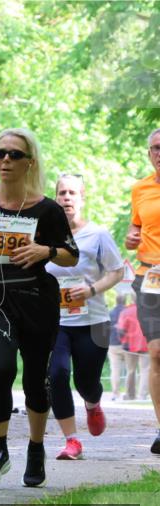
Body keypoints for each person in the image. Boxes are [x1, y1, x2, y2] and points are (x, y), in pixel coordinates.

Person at [0, 129, 78, 488]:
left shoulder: (48, 209)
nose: (5, 160)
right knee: (2, 367)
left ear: (29, 162)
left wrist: (45, 251)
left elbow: (71, 255)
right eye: (0, 153)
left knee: (36, 378)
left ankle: (36, 449)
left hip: (37, 297)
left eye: (14, 154)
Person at [46, 174, 124, 460]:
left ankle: (92, 404)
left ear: (82, 198)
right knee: (57, 374)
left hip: (94, 320)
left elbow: (117, 271)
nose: (66, 197)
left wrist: (92, 290)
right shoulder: (44, 235)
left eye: (72, 193)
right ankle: (72, 441)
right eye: (62, 193)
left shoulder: (98, 235)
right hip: (55, 321)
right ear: (55, 198)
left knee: (86, 382)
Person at [123, 128, 160, 454]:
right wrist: (131, 238)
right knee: (157, 352)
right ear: (149, 153)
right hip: (150, 277)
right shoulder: (141, 189)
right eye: (156, 148)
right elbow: (135, 228)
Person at [118, 301, 150, 399]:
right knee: (145, 370)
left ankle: (130, 395)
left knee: (130, 370)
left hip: (129, 345)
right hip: (146, 344)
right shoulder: (149, 311)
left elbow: (121, 330)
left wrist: (123, 341)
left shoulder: (126, 311)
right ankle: (142, 395)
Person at [108, 293, 129, 401]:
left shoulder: (110, 312)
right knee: (130, 370)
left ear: (116, 301)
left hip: (113, 344)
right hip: (127, 344)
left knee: (115, 370)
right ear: (125, 301)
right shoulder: (128, 311)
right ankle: (129, 393)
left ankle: (115, 394)